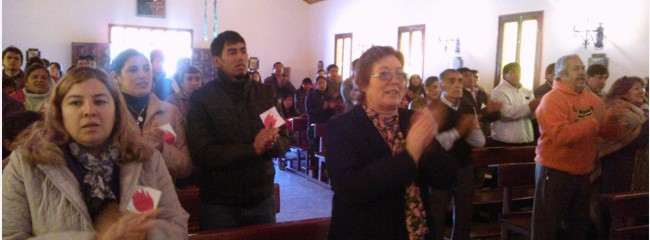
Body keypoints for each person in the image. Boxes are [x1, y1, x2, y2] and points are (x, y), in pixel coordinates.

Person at [2, 66, 188, 239]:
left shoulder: (146, 157)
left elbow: (177, 227)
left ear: (116, 110)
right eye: (75, 103)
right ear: (59, 113)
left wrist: (146, 233)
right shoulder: (27, 162)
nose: (89, 111)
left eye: (100, 101)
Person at [327, 45, 457, 239]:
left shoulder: (412, 120)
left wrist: (429, 143)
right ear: (362, 83)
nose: (395, 81)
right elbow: (351, 189)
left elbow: (445, 178)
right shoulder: (342, 126)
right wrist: (411, 154)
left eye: (400, 74)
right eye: (384, 74)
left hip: (418, 230)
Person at [186, 30, 290, 230]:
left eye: (243, 51)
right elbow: (202, 153)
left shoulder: (265, 94)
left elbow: (285, 140)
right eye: (232, 52)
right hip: (220, 203)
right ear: (217, 61)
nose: (240, 56)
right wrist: (252, 148)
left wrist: (273, 142)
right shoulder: (202, 99)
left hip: (262, 198)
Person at [532, 54, 619, 240]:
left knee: (578, 228)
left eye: (582, 68)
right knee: (547, 228)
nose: (582, 72)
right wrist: (593, 121)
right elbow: (562, 136)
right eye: (575, 69)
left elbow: (605, 132)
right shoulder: (552, 99)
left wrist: (614, 121)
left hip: (583, 172)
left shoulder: (593, 99)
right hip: (555, 171)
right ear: (561, 75)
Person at [110, 49, 192, 180]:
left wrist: (161, 147)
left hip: (162, 192)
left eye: (147, 69)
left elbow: (185, 167)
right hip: (118, 194)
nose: (142, 75)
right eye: (133, 70)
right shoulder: (108, 113)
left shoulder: (170, 112)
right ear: (116, 77)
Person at [429, 68, 486, 240]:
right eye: (452, 81)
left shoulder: (467, 107)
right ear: (442, 85)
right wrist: (459, 131)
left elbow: (479, 142)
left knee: (464, 212)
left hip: (464, 165)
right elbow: (436, 143)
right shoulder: (433, 109)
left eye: (460, 81)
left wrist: (473, 129)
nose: (457, 85)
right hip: (440, 167)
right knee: (437, 213)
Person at [596, 76, 648, 194]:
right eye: (636, 88)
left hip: (629, 166)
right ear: (623, 92)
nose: (641, 92)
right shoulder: (615, 110)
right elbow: (638, 138)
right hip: (615, 168)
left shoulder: (639, 110)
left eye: (642, 88)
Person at [489, 62, 539, 146]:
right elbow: (506, 113)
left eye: (519, 71)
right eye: (513, 72)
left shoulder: (527, 91)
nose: (517, 74)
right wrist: (529, 107)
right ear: (504, 75)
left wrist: (537, 109)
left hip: (527, 137)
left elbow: (532, 116)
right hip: (506, 139)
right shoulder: (498, 91)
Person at [459, 67, 501, 138]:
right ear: (459, 79)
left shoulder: (481, 93)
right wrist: (486, 111)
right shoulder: (459, 95)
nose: (470, 77)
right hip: (467, 135)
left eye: (471, 75)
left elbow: (487, 112)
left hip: (484, 132)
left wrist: (496, 112)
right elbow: (467, 114)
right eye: (466, 75)